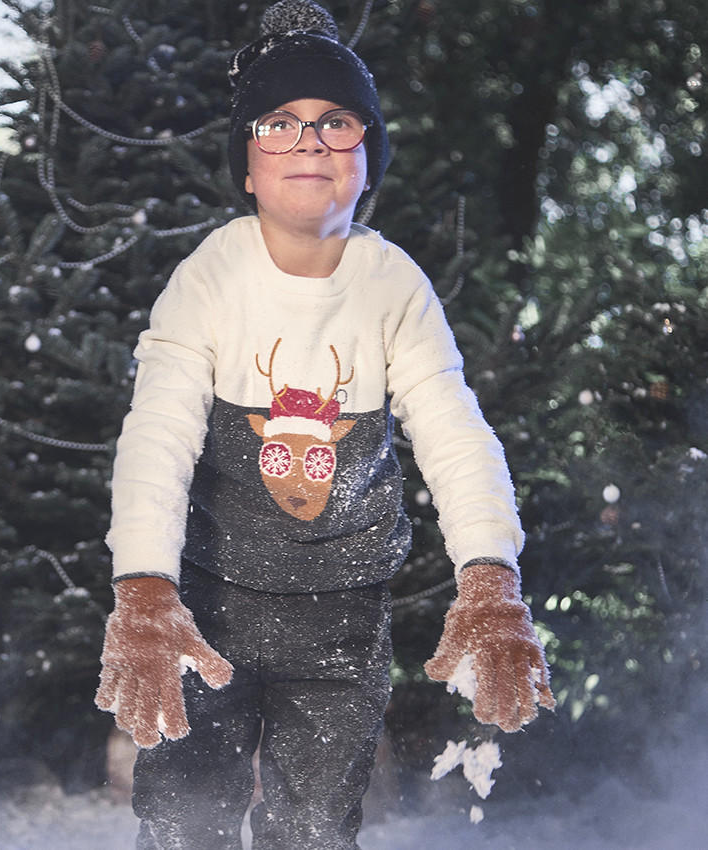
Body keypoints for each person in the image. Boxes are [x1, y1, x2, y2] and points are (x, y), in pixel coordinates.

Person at [95, 2, 555, 848]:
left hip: (343, 617)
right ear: (247, 164)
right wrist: (147, 590)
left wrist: (490, 577)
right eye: (281, 123)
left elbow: (454, 432)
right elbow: (156, 436)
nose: (310, 142)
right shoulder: (209, 280)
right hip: (210, 604)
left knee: (314, 824)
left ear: (368, 155)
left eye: (336, 123)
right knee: (184, 814)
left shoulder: (393, 287)